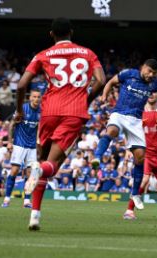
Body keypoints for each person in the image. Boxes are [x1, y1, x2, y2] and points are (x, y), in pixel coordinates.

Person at [15, 17, 106, 230]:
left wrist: (19, 110)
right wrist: (86, 99)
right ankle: (38, 176)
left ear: (51, 34)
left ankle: (34, 216)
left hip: (49, 112)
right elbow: (101, 81)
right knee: (50, 166)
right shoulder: (88, 53)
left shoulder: (42, 55)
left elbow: (21, 85)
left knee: (42, 161)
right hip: (74, 112)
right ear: (71, 32)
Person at [91, 59, 157, 210]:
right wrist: (104, 95)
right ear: (143, 67)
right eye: (149, 71)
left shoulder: (154, 84)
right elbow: (110, 82)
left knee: (140, 157)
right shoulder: (128, 74)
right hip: (120, 113)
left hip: (136, 121)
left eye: (154, 73)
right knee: (112, 131)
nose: (151, 75)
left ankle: (135, 194)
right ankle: (97, 157)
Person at [123, 93, 157, 221]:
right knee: (144, 180)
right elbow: (129, 130)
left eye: (154, 92)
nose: (151, 94)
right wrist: (128, 149)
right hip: (144, 153)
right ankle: (129, 210)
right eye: (149, 91)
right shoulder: (139, 110)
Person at [1, 89, 41, 208]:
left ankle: (27, 201)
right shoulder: (22, 109)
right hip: (19, 144)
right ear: (30, 98)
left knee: (30, 174)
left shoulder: (40, 111)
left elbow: (38, 128)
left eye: (38, 97)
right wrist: (9, 141)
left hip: (32, 146)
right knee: (14, 171)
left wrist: (38, 142)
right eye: (34, 96)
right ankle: (7, 199)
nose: (36, 99)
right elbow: (12, 124)